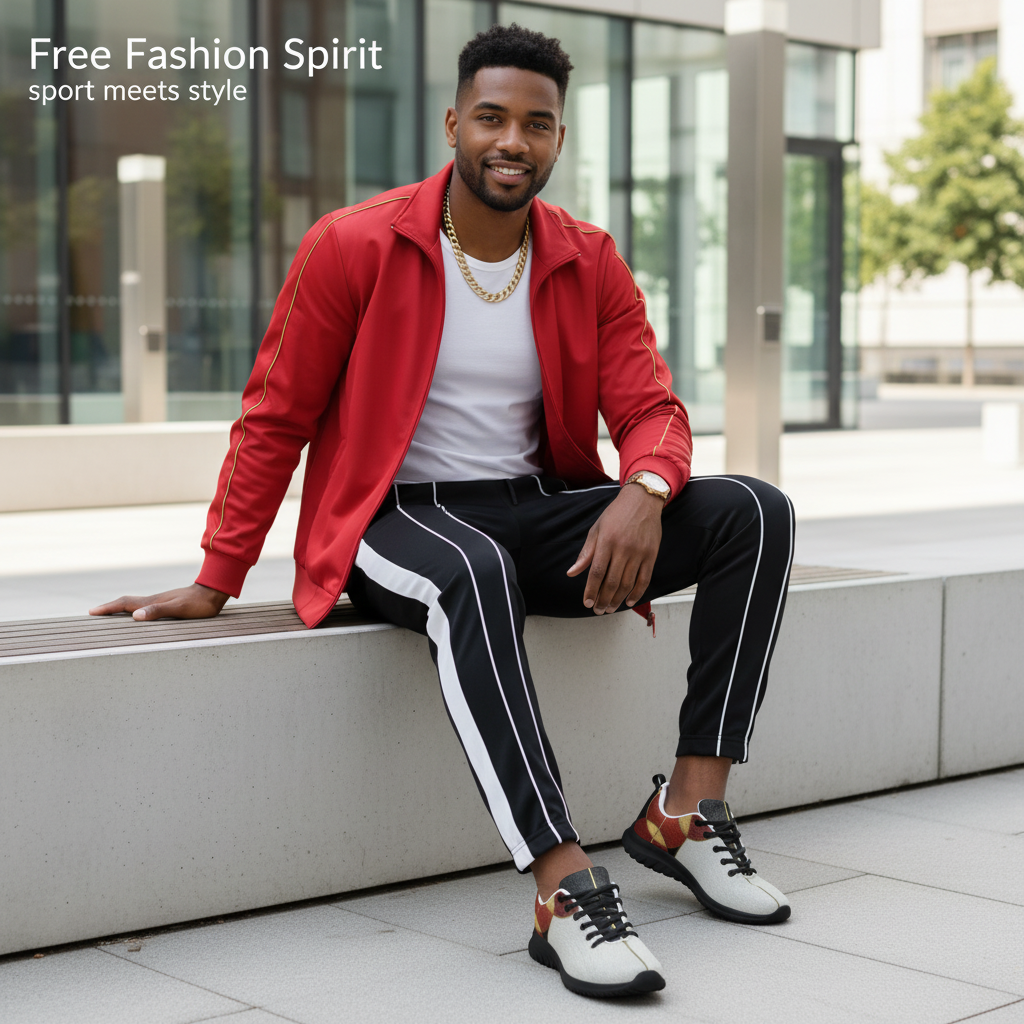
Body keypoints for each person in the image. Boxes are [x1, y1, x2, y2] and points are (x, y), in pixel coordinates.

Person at [92, 24, 794, 999]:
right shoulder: (355, 243)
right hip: (394, 518)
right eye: (494, 118)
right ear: (454, 122)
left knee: (753, 512)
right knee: (473, 568)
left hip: (539, 506)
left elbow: (651, 408)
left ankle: (686, 811)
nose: (513, 141)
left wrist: (644, 490)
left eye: (537, 124)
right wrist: (220, 575)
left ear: (558, 137)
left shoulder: (585, 258)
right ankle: (561, 884)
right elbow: (275, 412)